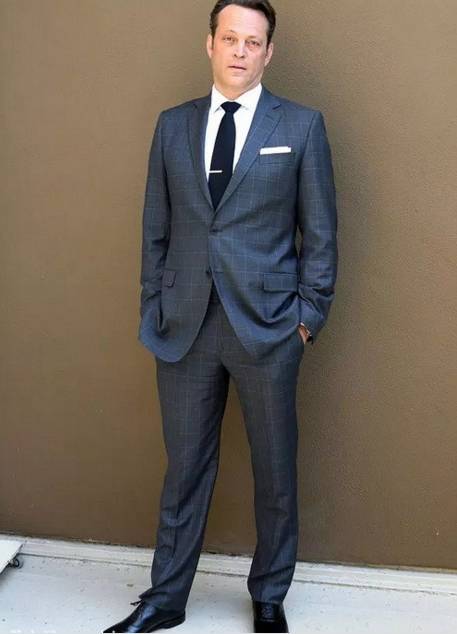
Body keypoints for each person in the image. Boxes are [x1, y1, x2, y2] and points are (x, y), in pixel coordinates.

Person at [104, 0, 338, 631]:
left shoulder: (302, 126)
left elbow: (320, 235)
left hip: (269, 327)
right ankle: (165, 599)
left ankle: (269, 596)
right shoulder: (172, 125)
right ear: (209, 43)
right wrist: (153, 303)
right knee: (184, 470)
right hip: (184, 326)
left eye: (252, 42)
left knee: (274, 471)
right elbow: (156, 227)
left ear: (269, 52)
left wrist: (306, 318)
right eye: (229, 38)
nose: (240, 51)